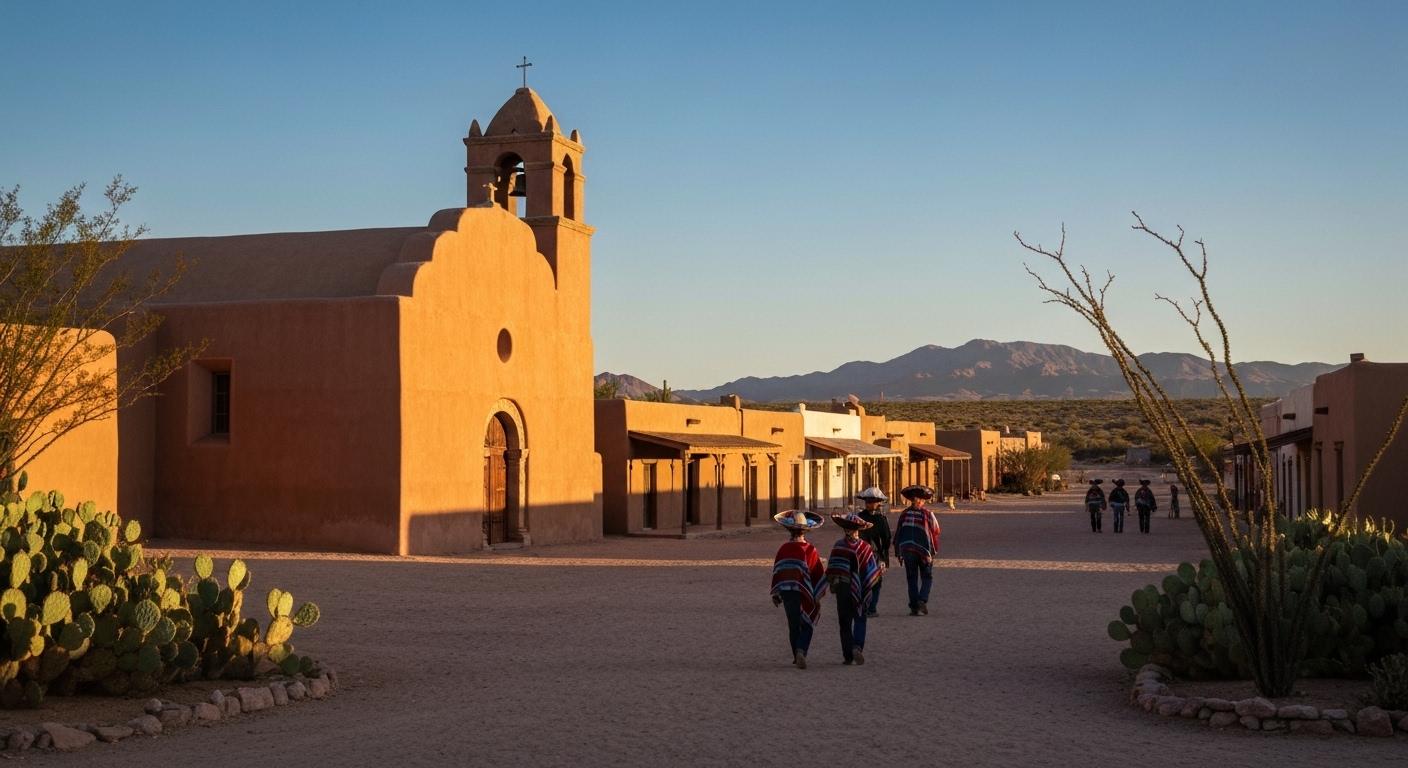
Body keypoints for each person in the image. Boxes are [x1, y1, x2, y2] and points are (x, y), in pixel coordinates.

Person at [770, 510, 827, 669]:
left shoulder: (784, 549)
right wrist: (816, 593)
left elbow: (778, 571)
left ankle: (796, 654)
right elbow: (816, 573)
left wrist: (777, 592)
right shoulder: (810, 550)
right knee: (807, 621)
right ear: (805, 530)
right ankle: (802, 649)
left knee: (793, 623)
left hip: (788, 591)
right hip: (804, 592)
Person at [827, 513, 881, 665]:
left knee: (844, 622)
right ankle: (857, 646)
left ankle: (848, 656)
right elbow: (871, 571)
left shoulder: (838, 545)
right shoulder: (865, 547)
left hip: (842, 587)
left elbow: (832, 568)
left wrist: (833, 586)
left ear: (845, 529)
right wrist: (877, 573)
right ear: (859, 530)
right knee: (860, 617)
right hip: (860, 588)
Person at [893, 485, 941, 616]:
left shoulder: (904, 514)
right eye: (919, 500)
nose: (921, 502)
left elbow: (898, 532)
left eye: (922, 500)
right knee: (927, 576)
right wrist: (933, 549)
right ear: (914, 500)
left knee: (912, 577)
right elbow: (936, 531)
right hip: (924, 551)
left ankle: (914, 606)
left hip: (907, 550)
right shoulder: (928, 514)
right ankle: (922, 602)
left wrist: (898, 549)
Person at [855, 487, 892, 617]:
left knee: (874, 582)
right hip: (865, 555)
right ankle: (867, 607)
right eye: (868, 502)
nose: (870, 504)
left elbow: (886, 539)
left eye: (872, 502)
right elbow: (887, 538)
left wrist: (884, 555)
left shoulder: (875, 518)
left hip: (874, 554)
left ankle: (871, 607)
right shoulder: (861, 518)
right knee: (868, 581)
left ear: (878, 503)